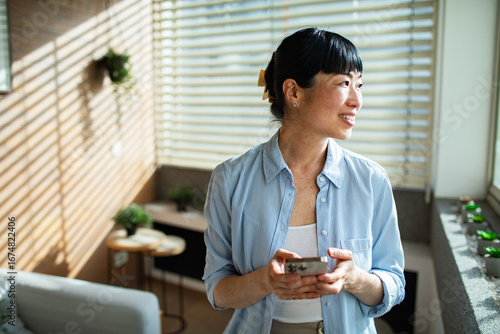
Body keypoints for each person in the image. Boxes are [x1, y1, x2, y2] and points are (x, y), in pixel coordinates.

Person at [203, 27, 405, 334]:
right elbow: (217, 288)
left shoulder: (370, 180)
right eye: (344, 83)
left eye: (360, 85)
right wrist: (265, 281)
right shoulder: (230, 180)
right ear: (294, 92)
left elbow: (393, 283)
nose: (357, 101)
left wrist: (354, 278)